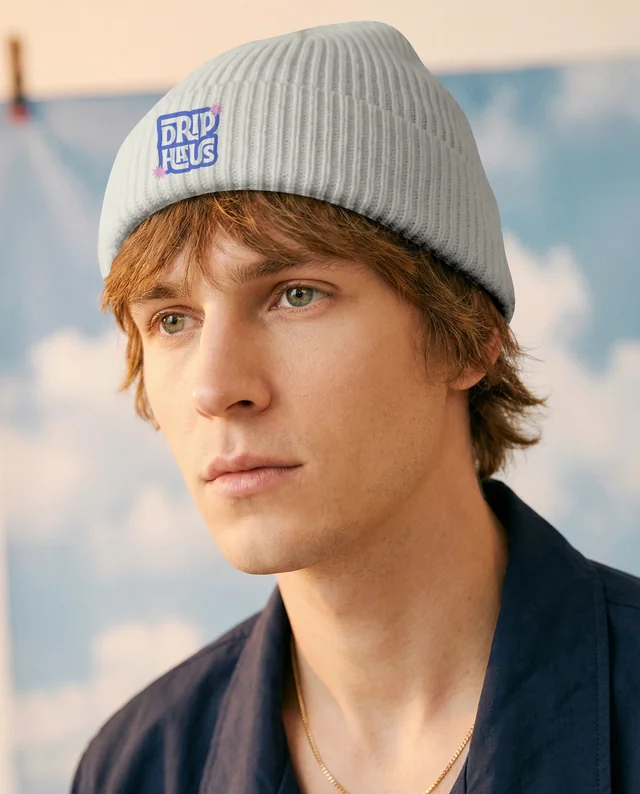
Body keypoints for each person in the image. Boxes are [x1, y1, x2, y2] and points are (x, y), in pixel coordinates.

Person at [71, 20, 640, 794]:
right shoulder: (134, 769)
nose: (214, 388)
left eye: (294, 295)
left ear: (467, 337)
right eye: (172, 319)